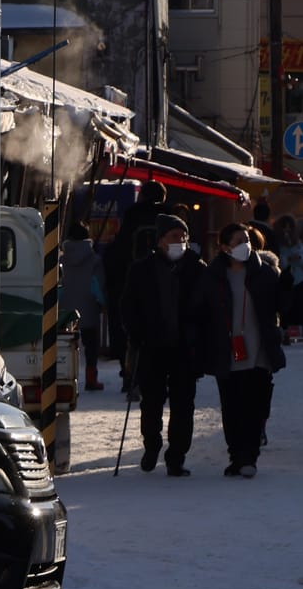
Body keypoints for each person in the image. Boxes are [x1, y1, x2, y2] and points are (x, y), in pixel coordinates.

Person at [119, 213, 212, 473]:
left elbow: (208, 308)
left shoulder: (197, 267)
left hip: (185, 348)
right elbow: (128, 306)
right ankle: (152, 446)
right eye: (174, 236)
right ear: (161, 240)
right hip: (152, 346)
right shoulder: (142, 269)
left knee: (184, 405)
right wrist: (136, 333)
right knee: (151, 403)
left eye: (183, 236)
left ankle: (176, 457)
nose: (180, 241)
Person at [204, 221, 287, 477]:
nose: (245, 246)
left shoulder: (266, 273)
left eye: (247, 240)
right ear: (224, 247)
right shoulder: (213, 276)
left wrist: (289, 289)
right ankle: (236, 455)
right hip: (226, 351)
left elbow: (281, 306)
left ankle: (249, 455)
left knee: (255, 406)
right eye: (238, 241)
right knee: (231, 407)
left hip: (259, 349)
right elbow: (203, 311)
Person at [102, 182, 167, 388]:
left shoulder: (131, 215)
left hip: (128, 280)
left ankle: (128, 371)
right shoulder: (168, 215)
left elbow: (117, 250)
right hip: (163, 283)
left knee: (129, 328)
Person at [59, 205, 105, 391]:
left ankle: (62, 378)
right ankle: (91, 379)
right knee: (91, 347)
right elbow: (97, 286)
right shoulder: (94, 260)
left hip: (64, 310)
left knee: (65, 346)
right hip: (88, 308)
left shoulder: (60, 260)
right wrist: (103, 303)